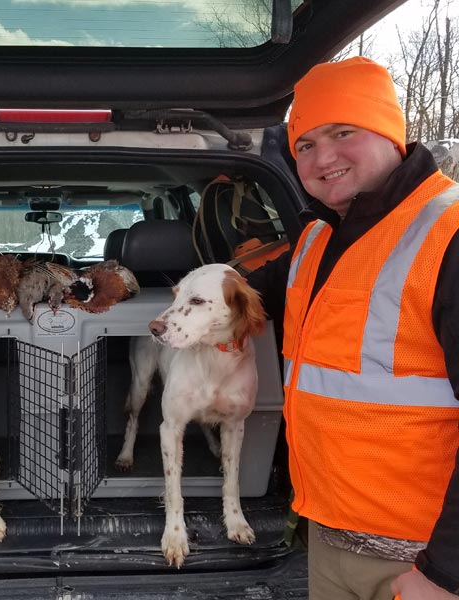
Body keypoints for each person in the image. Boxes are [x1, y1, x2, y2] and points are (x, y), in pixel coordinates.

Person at [247, 56, 459, 600]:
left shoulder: (448, 232)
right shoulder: (318, 239)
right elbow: (243, 290)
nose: (325, 158)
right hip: (331, 536)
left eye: (344, 132)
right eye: (306, 145)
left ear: (391, 134)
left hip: (418, 555)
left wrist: (445, 573)